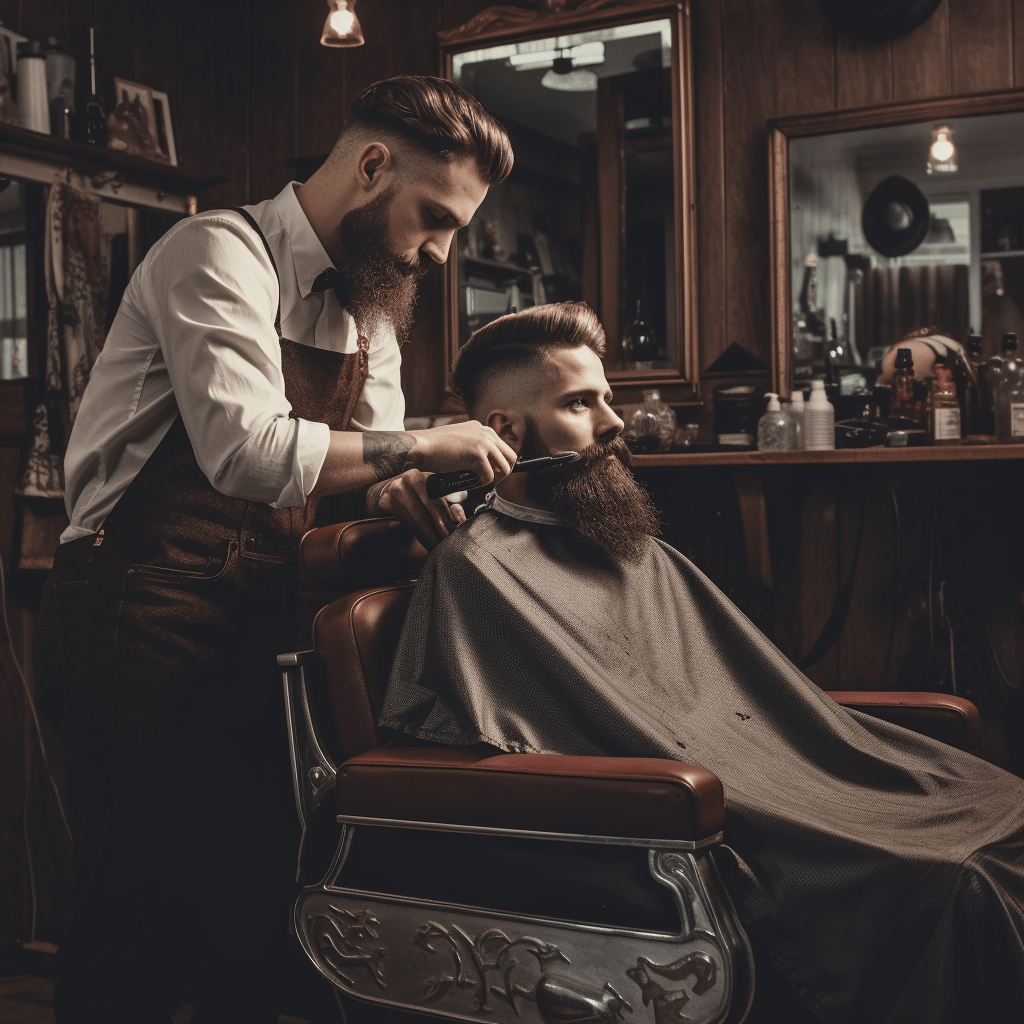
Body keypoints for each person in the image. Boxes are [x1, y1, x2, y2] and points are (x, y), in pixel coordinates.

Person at [380, 302, 1024, 1024]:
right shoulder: (478, 573)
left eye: (608, 398)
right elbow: (510, 743)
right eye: (579, 404)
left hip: (794, 777)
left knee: (1003, 814)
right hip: (716, 823)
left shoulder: (626, 544)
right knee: (963, 883)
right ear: (504, 432)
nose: (614, 422)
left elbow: (745, 690)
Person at [37, 76, 517, 1023]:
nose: (439, 253)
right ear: (373, 165)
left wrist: (412, 491)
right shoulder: (217, 254)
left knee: (249, 906)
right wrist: (428, 442)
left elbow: (361, 472)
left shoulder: (369, 306)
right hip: (137, 602)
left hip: (264, 613)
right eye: (435, 217)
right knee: (132, 903)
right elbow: (248, 451)